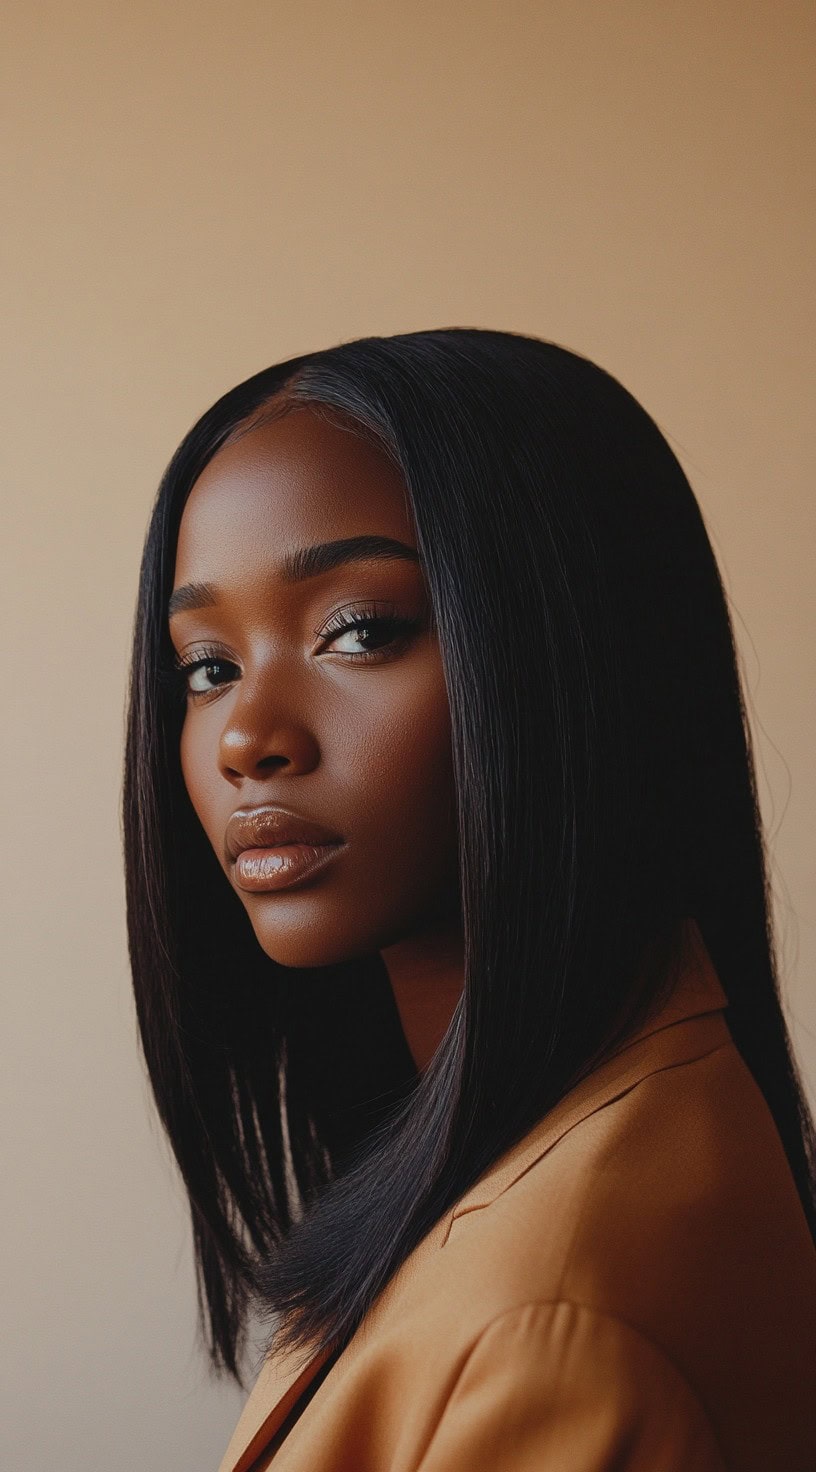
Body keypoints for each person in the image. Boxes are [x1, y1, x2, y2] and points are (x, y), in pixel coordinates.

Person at [122, 328, 816, 1470]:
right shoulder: (559, 1144)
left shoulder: (554, 1330)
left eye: (358, 630)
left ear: (572, 646)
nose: (246, 736)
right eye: (208, 666)